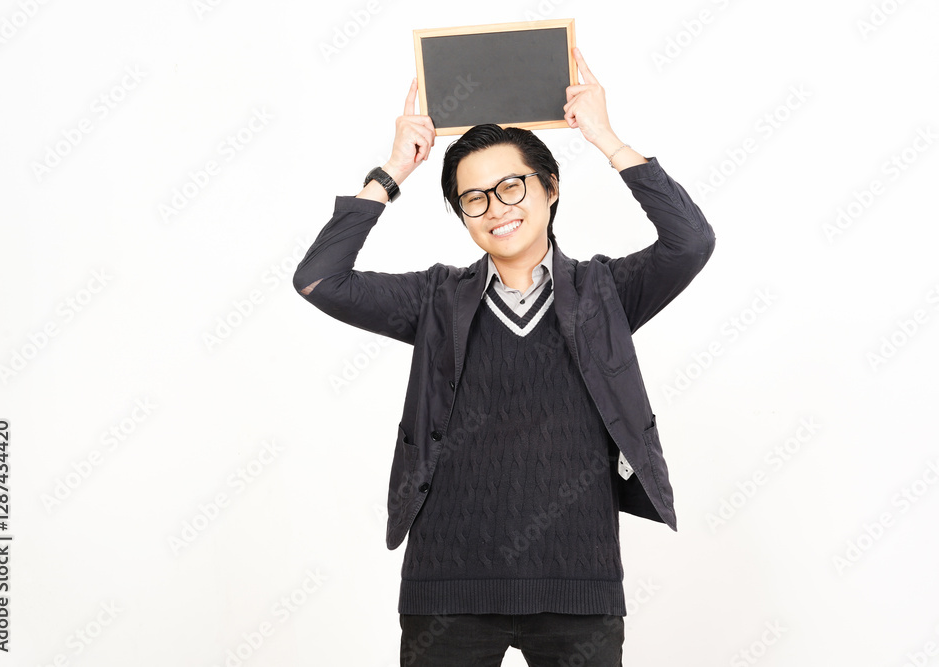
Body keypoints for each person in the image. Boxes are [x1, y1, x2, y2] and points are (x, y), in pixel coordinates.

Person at [293, 47, 715, 667]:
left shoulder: (604, 293)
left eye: (511, 186)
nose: (497, 208)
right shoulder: (435, 299)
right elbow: (319, 280)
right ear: (462, 215)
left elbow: (690, 242)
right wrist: (392, 171)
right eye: (475, 198)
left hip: (578, 580)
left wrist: (605, 137)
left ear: (550, 189)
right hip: (448, 586)